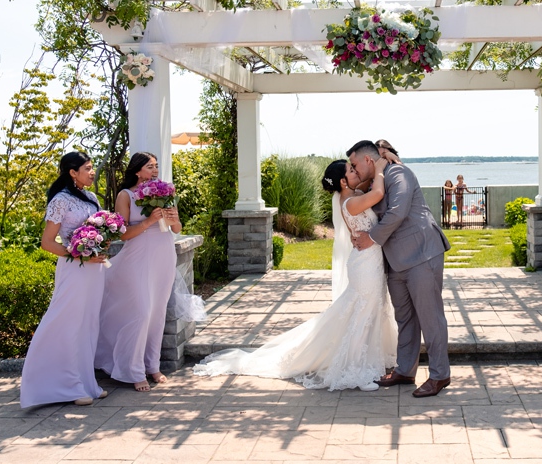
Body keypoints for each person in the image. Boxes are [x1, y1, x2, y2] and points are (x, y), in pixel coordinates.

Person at [192, 158, 397, 391]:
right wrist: (379, 168)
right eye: (351, 170)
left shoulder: (351, 196)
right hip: (364, 265)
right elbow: (378, 193)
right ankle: (354, 368)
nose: (355, 171)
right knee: (362, 311)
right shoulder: (350, 202)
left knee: (368, 308)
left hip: (370, 261)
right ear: (342, 181)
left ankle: (368, 359)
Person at [347, 140, 453, 398]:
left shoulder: (399, 173)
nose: (353, 169)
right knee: (404, 318)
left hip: (421, 255)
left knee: (430, 317)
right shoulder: (376, 183)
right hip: (395, 262)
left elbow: (398, 212)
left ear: (369, 160)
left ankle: (440, 375)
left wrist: (370, 238)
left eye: (354, 164)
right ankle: (405, 370)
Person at [20, 152, 109, 408]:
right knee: (66, 322)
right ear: (73, 172)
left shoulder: (91, 198)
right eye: (88, 168)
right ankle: (63, 385)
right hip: (74, 268)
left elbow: (98, 230)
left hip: (95, 269)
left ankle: (86, 383)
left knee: (88, 324)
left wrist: (103, 241)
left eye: (92, 168)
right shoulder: (60, 200)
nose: (92, 172)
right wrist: (80, 254)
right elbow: (47, 243)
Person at [95, 152, 181, 393]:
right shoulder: (126, 195)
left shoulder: (166, 192)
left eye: (156, 165)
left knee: (156, 313)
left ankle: (152, 365)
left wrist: (173, 218)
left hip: (163, 256)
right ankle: (133, 371)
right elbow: (121, 234)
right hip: (137, 258)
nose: (155, 170)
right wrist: (147, 222)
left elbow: (176, 228)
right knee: (141, 312)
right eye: (149, 166)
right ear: (136, 170)